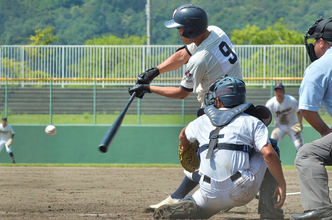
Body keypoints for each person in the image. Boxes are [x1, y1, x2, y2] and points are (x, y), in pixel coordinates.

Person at [153, 76, 286, 219]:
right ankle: (270, 214)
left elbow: (182, 135)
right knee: (270, 147)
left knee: (202, 202)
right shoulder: (252, 121)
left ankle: (193, 205)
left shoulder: (201, 121)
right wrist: (281, 183)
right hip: (242, 189)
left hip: (208, 190)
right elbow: (269, 155)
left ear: (218, 100)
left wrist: (185, 148)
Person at [290, 17, 332, 220]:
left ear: (322, 41)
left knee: (307, 154)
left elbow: (306, 109)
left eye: (315, 41)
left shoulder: (320, 66)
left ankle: (321, 210)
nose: (314, 45)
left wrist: (325, 132)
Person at [266, 82, 304, 151]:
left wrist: (299, 123)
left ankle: (301, 161)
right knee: (272, 145)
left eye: (280, 91)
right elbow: (265, 114)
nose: (278, 93)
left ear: (284, 92)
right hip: (279, 126)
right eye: (277, 91)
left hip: (293, 125)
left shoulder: (291, 100)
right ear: (274, 93)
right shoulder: (271, 103)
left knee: (300, 145)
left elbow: (299, 111)